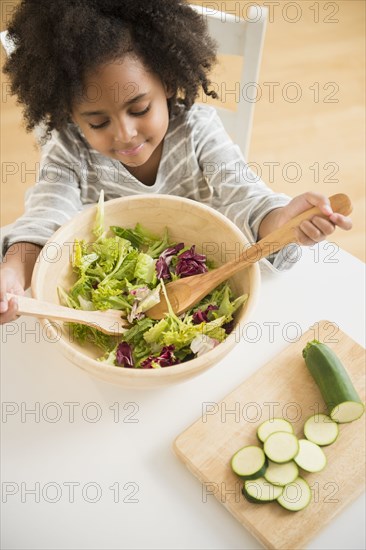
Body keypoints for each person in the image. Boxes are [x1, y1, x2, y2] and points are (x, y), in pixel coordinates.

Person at [0, 0, 351, 324]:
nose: (124, 134)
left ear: (167, 83)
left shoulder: (198, 131)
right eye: (98, 122)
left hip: (206, 268)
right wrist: (14, 274)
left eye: (139, 109)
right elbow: (45, 221)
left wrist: (283, 222)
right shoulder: (68, 150)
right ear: (71, 115)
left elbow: (245, 196)